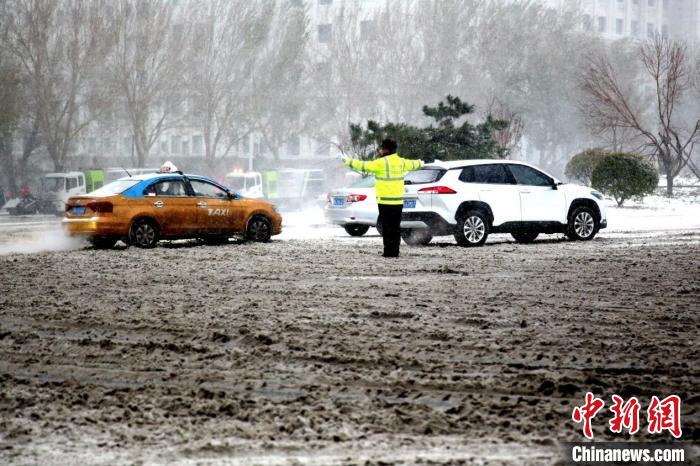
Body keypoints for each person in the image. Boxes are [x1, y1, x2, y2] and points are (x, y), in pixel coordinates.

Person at [342, 138, 423, 257]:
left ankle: (388, 252)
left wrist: (347, 161)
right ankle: (395, 251)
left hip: (385, 202)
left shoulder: (380, 163)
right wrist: (421, 163)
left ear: (386, 150)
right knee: (395, 228)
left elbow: (363, 165)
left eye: (381, 148)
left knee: (387, 228)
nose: (379, 150)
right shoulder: (401, 162)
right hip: (398, 201)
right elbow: (414, 164)